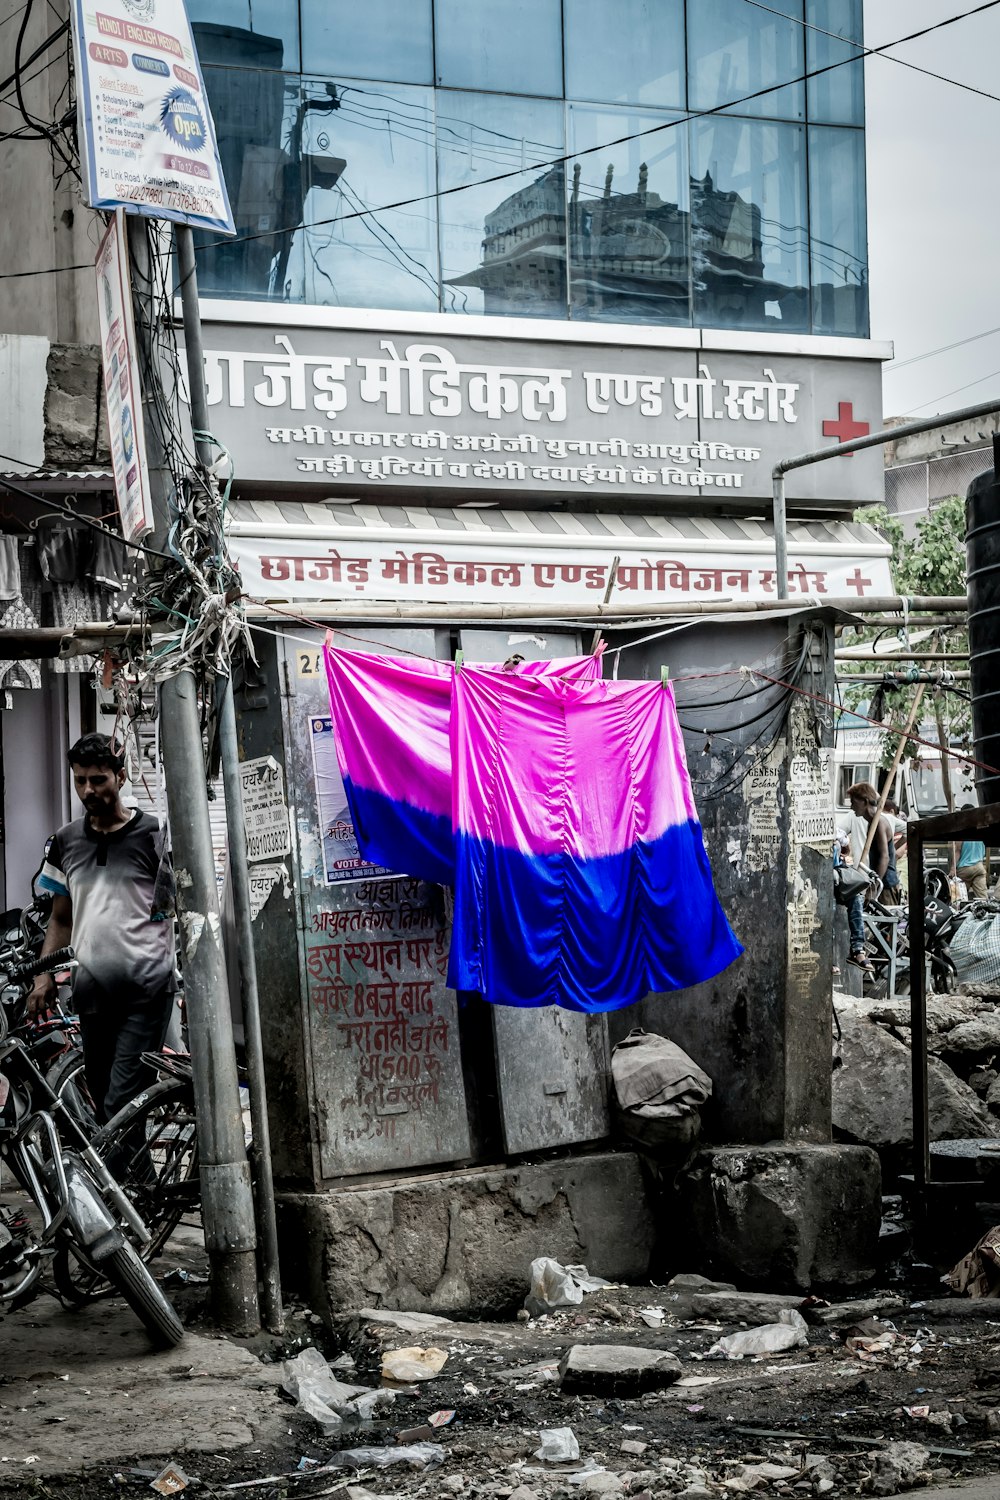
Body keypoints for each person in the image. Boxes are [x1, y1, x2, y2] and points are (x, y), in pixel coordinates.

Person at [27, 733, 176, 1124]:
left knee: (121, 1102)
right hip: (91, 994)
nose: (88, 789)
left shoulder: (155, 836)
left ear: (121, 777)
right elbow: (61, 918)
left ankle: (116, 1186)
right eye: (80, 781)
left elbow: (178, 911)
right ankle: (137, 1185)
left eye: (98, 779)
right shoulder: (66, 841)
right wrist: (44, 977)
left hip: (146, 992)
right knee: (106, 1100)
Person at [836, 781, 889, 973]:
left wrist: (871, 890)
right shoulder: (864, 820)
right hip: (872, 881)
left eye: (854, 802)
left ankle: (860, 951)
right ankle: (857, 951)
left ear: (865, 801)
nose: (851, 806)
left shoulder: (879, 822)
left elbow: (884, 856)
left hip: (883, 883)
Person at [955, 808, 988, 899]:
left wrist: (952, 869)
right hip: (979, 867)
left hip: (964, 869)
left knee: (960, 897)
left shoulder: (961, 829)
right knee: (983, 898)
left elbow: (958, 850)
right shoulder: (981, 828)